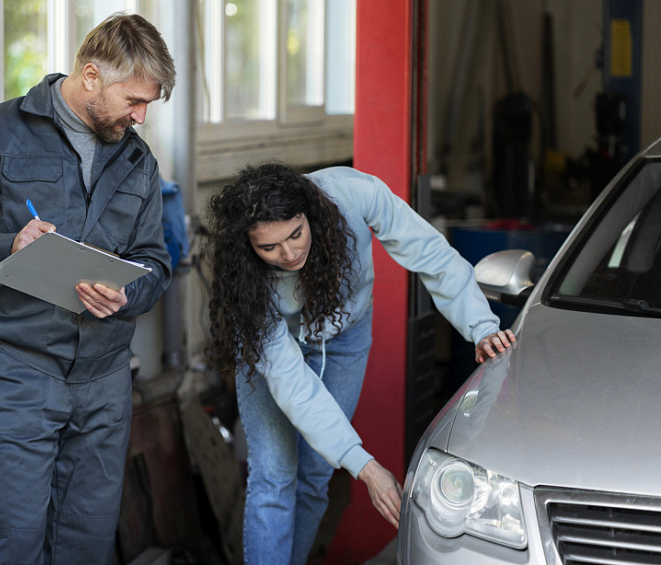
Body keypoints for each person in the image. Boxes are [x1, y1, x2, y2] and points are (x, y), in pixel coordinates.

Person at [0, 12, 176, 565]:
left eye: (148, 104)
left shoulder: (138, 160)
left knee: (86, 547)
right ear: (90, 75)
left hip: (106, 381)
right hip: (19, 373)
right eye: (134, 100)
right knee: (12, 546)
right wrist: (6, 247)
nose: (141, 115)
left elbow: (156, 260)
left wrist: (128, 293)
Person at [206, 163, 516, 565]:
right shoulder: (246, 290)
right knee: (274, 476)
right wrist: (365, 467)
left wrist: (481, 326)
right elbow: (294, 386)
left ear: (309, 214)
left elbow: (431, 255)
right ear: (247, 246)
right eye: (269, 248)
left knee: (316, 477)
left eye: (296, 234)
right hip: (277, 353)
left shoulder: (352, 193)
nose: (289, 253)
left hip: (344, 335)